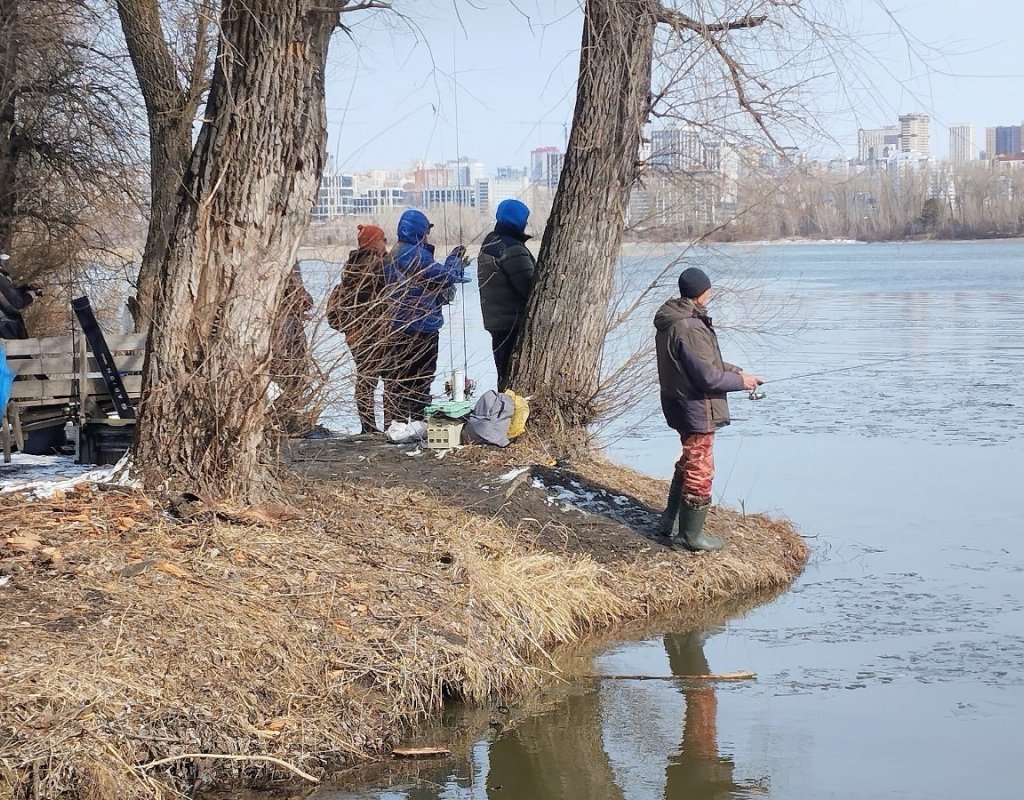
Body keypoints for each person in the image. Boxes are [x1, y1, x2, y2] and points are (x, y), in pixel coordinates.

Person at [654, 267, 763, 551]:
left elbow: (705, 364)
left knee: (690, 459)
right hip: (695, 407)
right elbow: (707, 377)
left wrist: (737, 372)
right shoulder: (689, 327)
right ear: (702, 293)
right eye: (709, 290)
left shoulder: (676, 320)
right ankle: (691, 536)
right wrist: (740, 381)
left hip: (680, 403)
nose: (711, 294)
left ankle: (671, 522)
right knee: (701, 468)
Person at [385, 209, 468, 421]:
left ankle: (400, 423)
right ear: (419, 231)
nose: (427, 235)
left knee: (401, 378)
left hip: (398, 326)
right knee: (421, 377)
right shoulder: (414, 255)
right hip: (420, 327)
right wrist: (454, 259)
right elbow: (445, 277)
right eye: (426, 231)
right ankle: (415, 422)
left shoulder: (395, 252)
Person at [326, 223, 393, 434]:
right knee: (389, 379)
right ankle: (390, 426)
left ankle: (368, 427)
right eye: (383, 240)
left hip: (355, 335)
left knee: (365, 379)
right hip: (377, 332)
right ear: (376, 242)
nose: (386, 244)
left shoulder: (351, 265)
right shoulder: (379, 266)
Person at [477, 198, 536, 390]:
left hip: (498, 323)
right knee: (511, 379)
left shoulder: (490, 243)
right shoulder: (512, 249)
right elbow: (529, 288)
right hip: (513, 323)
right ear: (519, 222)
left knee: (504, 376)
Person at [269, 261, 325, 438]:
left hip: (290, 326)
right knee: (290, 375)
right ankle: (284, 421)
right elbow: (296, 293)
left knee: (294, 375)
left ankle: (284, 419)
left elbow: (300, 296)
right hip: (285, 328)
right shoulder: (285, 265)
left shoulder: (290, 266)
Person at [0, 253, 41, 340]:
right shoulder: (1, 279)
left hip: (5, 327)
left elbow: (8, 296)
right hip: (6, 329)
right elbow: (16, 304)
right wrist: (32, 294)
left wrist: (26, 288)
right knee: (18, 352)